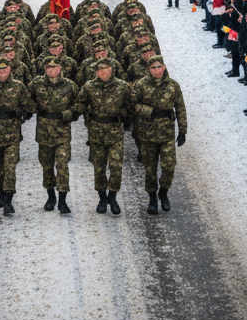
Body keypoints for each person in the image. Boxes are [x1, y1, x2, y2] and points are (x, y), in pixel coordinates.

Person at [74, 59, 136, 214]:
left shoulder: (122, 86)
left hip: (115, 132)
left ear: (112, 70)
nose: (104, 73)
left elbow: (133, 105)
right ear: (96, 72)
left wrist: (127, 114)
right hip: (96, 132)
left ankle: (112, 196)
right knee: (99, 167)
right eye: (101, 71)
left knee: (116, 167)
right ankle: (102, 197)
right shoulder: (89, 86)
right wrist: (70, 114)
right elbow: (80, 103)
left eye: (107, 70)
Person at [131, 55, 187, 214]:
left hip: (166, 133)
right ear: (149, 69)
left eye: (159, 67)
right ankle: (152, 198)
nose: (156, 71)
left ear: (164, 67)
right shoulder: (141, 85)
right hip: (147, 133)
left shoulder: (173, 85)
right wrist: (148, 111)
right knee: (150, 169)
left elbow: (180, 108)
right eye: (153, 68)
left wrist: (183, 130)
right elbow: (132, 104)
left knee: (169, 166)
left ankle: (163, 191)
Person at [0, 57, 34, 216]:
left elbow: (29, 104)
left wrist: (24, 115)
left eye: (4, 70)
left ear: (9, 70)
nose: (1, 73)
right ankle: (1, 192)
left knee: (10, 166)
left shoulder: (18, 86)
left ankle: (9, 201)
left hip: (12, 133)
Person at [28, 57, 78, 214]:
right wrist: (33, 108)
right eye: (48, 68)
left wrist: (70, 114)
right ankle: (51, 196)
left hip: (62, 131)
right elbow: (26, 99)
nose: (51, 70)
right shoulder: (36, 83)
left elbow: (79, 103)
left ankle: (63, 200)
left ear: (60, 68)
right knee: (47, 166)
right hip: (44, 131)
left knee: (62, 165)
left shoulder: (69, 85)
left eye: (54, 67)